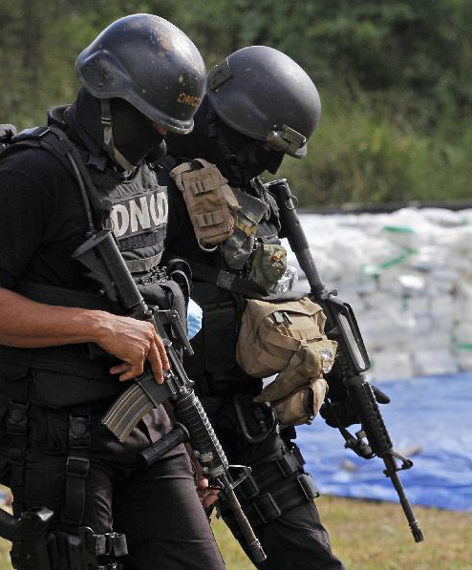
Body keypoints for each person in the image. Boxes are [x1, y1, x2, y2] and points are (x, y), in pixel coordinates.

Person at [0, 14, 226, 569]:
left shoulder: (146, 168)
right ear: (107, 97)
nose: (159, 136)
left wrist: (189, 430)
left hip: (146, 424)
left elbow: (151, 304)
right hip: (59, 438)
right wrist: (97, 326)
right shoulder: (33, 174)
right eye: (149, 121)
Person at [161, 46, 345, 569]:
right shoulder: (156, 178)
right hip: (168, 414)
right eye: (265, 146)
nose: (269, 162)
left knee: (307, 559)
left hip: (245, 415)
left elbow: (261, 295)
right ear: (231, 122)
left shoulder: (251, 195)